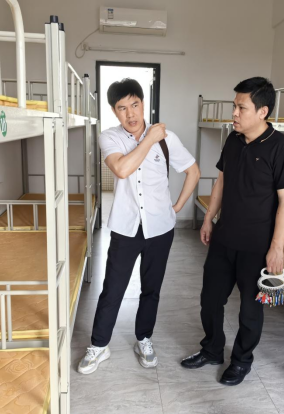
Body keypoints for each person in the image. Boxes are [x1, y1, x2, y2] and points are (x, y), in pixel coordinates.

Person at [78, 78, 200, 374]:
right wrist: (148, 138)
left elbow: (193, 172)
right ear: (114, 111)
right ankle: (99, 345)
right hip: (126, 228)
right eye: (122, 108)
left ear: (143, 104)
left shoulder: (167, 138)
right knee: (113, 289)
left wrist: (176, 207)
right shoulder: (109, 137)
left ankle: (143, 339)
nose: (130, 113)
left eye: (135, 104)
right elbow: (121, 169)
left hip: (160, 229)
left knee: (151, 289)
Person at [181, 77, 284, 386]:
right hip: (224, 238)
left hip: (257, 246)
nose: (234, 113)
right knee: (210, 300)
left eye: (241, 107)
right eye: (234, 106)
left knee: (250, 310)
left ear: (263, 111)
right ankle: (212, 350)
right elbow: (221, 182)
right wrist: (209, 218)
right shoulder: (233, 140)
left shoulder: (282, 148)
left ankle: (242, 361)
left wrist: (276, 248)